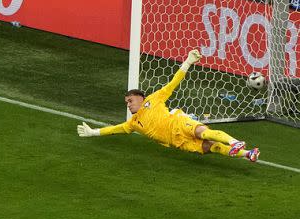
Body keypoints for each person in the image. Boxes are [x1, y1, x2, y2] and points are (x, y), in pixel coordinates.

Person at [77, 50, 260, 163]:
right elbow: (115, 129)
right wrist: (94, 132)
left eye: (130, 100)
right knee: (211, 147)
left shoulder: (153, 99)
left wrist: (188, 62)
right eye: (126, 103)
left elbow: (173, 83)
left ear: (141, 98)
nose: (128, 105)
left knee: (203, 132)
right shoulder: (133, 123)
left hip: (178, 123)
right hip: (177, 142)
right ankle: (248, 154)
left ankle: (235, 142)